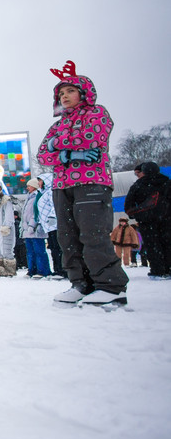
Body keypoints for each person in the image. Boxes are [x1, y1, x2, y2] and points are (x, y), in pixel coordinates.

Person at [37, 60, 128, 307]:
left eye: (70, 91)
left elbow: (91, 137)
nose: (65, 97)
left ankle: (110, 286)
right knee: (68, 237)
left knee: (93, 233)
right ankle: (81, 283)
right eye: (61, 93)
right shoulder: (57, 124)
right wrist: (67, 154)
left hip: (91, 182)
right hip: (61, 185)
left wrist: (59, 144)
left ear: (84, 92)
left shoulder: (96, 113)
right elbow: (43, 155)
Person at [125, 161, 171, 279]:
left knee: (152, 245)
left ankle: (158, 271)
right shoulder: (167, 182)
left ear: (144, 171)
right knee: (167, 244)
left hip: (147, 222)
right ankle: (168, 269)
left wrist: (137, 214)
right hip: (167, 220)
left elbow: (128, 206)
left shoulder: (138, 185)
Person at [34, 173, 66, 280]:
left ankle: (62, 270)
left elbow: (54, 205)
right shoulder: (43, 193)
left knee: (58, 248)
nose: (38, 183)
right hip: (49, 226)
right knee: (53, 248)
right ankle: (57, 269)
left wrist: (52, 216)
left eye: (40, 181)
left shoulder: (51, 192)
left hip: (55, 225)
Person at [20, 180, 52, 279]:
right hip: (27, 229)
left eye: (29, 186)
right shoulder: (28, 198)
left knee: (39, 251)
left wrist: (32, 225)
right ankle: (32, 270)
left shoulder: (38, 197)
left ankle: (42, 270)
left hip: (36, 229)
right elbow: (25, 214)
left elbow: (36, 213)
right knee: (30, 251)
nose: (27, 188)